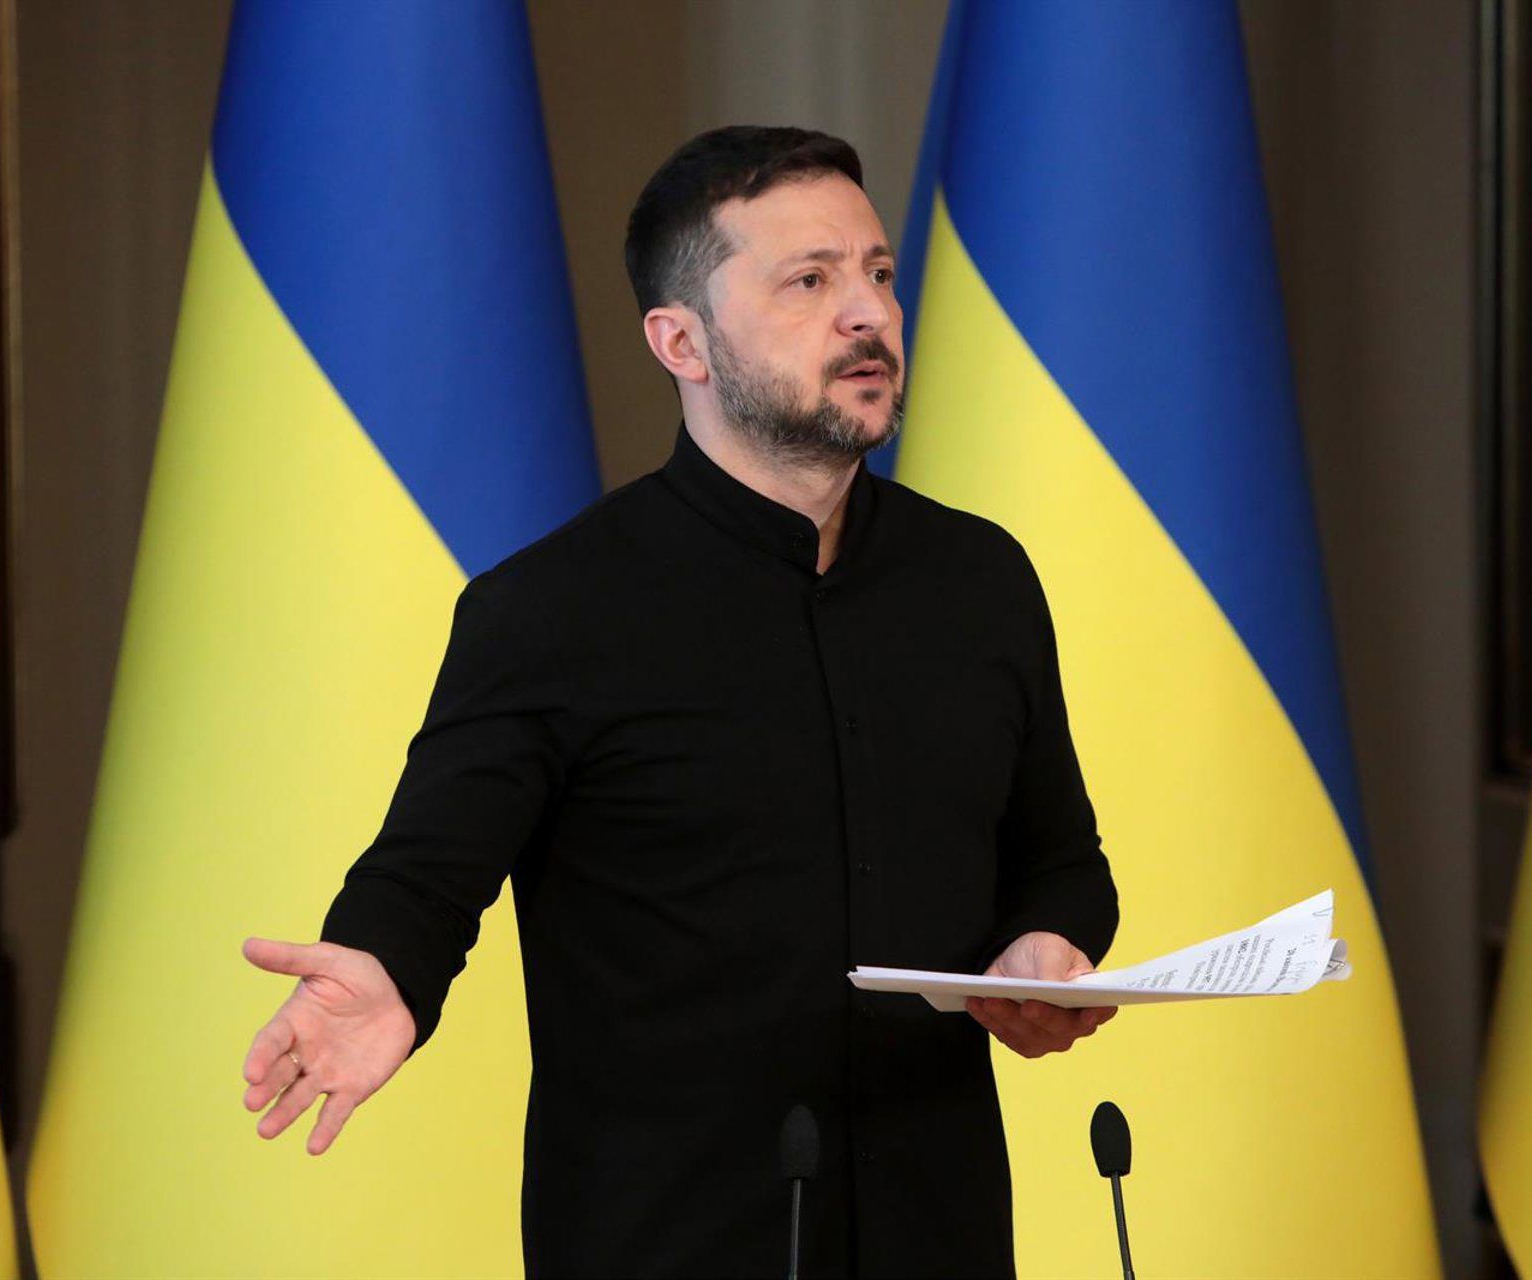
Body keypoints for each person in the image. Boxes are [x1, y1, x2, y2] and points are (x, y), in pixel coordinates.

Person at [237, 125, 1119, 1279]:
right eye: (809, 281)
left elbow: (1061, 860)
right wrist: (384, 967)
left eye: (877, 272)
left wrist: (1049, 942)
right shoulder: (550, 609)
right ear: (682, 341)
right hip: (662, 1241)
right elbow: (428, 874)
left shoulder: (980, 580)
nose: (868, 313)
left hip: (938, 1234)